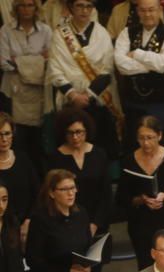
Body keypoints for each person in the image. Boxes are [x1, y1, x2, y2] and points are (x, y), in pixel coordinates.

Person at [47, 108, 112, 272]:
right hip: (67, 227)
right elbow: (52, 196)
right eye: (71, 133)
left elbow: (106, 195)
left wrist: (94, 223)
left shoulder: (99, 154)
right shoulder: (55, 158)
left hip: (95, 225)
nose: (76, 137)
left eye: (80, 132)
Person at [46, 0, 122, 159]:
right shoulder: (60, 34)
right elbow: (54, 70)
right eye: (80, 5)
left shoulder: (102, 33)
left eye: (89, 6)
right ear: (71, 8)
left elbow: (107, 69)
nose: (84, 11)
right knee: (68, 152)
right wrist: (73, 95)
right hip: (69, 104)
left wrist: (87, 95)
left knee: (98, 152)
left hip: (96, 102)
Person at [117, 116, 164, 271]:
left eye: (150, 138)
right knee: (145, 265)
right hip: (140, 222)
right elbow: (121, 198)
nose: (146, 143)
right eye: (141, 138)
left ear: (159, 136)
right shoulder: (128, 161)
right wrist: (142, 199)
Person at [114, 0, 164, 148]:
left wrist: (136, 54)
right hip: (133, 104)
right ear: (138, 11)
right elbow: (120, 65)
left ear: (159, 10)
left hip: (161, 106)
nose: (147, 14)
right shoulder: (126, 33)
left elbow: (162, 64)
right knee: (133, 147)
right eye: (143, 10)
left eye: (151, 10)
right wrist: (152, 65)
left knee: (163, 149)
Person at [0, 0, 51, 169]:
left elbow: (51, 62)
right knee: (16, 141)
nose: (26, 9)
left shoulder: (46, 30)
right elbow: (4, 63)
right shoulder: (6, 30)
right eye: (22, 5)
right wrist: (38, 60)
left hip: (38, 94)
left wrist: (19, 62)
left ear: (36, 8)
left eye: (30, 5)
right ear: (16, 8)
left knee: (37, 144)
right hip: (12, 93)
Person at [0, 113, 38, 226]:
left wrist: (28, 220)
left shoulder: (23, 159)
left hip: (25, 225)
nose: (4, 139)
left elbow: (37, 193)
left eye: (7, 133)